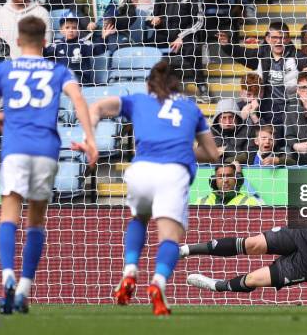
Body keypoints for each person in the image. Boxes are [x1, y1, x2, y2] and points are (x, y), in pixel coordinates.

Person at [0, 16, 98, 314]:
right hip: (45, 149)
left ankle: (7, 278)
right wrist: (90, 138)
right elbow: (79, 100)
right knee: (36, 221)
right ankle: (24, 289)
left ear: (17, 41)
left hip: (16, 149)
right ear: (46, 41)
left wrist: (0, 120)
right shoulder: (59, 69)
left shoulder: (4, 68)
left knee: (8, 214)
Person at [86, 60, 220, 315]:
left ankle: (129, 271)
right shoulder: (191, 109)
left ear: (149, 85)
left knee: (139, 218)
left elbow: (98, 107)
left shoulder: (139, 100)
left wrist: (90, 140)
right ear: (178, 85)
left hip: (142, 170)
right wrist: (184, 149)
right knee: (170, 236)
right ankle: (158, 283)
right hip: (173, 172)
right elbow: (212, 154)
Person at [218, 21, 307, 129]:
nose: (278, 41)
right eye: (275, 37)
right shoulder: (262, 55)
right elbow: (242, 53)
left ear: (288, 39)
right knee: (238, 109)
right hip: (267, 107)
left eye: (283, 38)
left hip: (291, 106)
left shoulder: (296, 55)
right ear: (267, 38)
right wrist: (227, 46)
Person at [150, 0, 209, 101]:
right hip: (164, 36)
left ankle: (202, 87)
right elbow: (154, 16)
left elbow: (199, 22)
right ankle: (151, 89)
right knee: (145, 48)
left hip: (185, 36)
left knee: (193, 49)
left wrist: (181, 37)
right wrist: (155, 20)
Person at [44, 12, 113, 86]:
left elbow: (99, 50)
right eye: (67, 27)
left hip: (81, 82)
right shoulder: (56, 45)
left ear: (78, 30)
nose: (71, 30)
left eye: (74, 27)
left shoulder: (83, 43)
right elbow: (44, 54)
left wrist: (103, 38)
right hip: (62, 82)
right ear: (61, 30)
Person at [193, 163, 262, 206]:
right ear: (214, 180)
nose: (225, 180)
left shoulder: (249, 202)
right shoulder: (201, 202)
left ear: (236, 179)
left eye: (229, 176)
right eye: (221, 176)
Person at [211, 98, 250, 163]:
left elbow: (248, 157)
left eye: (231, 117)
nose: (227, 122)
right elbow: (201, 159)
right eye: (223, 118)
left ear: (237, 118)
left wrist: (225, 150)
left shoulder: (248, 131)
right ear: (217, 119)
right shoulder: (209, 134)